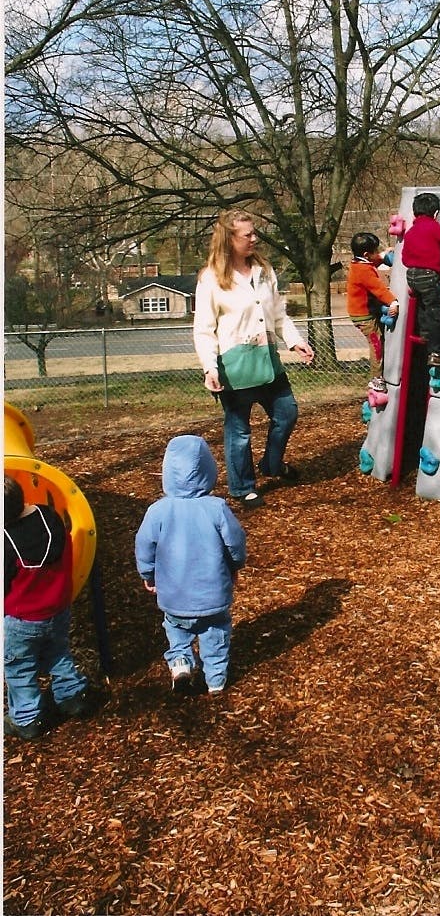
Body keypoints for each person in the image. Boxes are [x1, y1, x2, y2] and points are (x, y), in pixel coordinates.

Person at [193, 209, 315, 507]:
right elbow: (204, 330)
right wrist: (210, 368)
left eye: (254, 232)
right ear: (228, 239)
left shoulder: (264, 271)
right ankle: (242, 487)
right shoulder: (211, 279)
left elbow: (277, 314)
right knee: (239, 431)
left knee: (286, 413)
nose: (254, 238)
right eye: (247, 234)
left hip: (268, 361)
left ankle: (272, 465)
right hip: (234, 369)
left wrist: (295, 341)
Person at [135, 434, 247, 694]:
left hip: (174, 595)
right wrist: (236, 565)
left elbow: (145, 546)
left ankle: (181, 664)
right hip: (213, 595)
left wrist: (148, 574)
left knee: (175, 628)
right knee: (215, 634)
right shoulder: (217, 508)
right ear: (209, 469)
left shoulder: (158, 511)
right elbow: (235, 543)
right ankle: (216, 679)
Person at [4, 475, 92, 740]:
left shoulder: (7, 543)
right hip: (58, 609)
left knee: (19, 667)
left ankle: (28, 718)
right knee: (58, 652)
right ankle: (72, 696)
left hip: (21, 620)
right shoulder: (50, 517)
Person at [400, 192, 440, 370]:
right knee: (438, 315)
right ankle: (436, 354)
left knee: (424, 308)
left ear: (415, 213)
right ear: (436, 213)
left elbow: (404, 259)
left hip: (412, 275)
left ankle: (424, 336)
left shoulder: (411, 232)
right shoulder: (432, 227)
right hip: (428, 276)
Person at [346, 231, 399, 393]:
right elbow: (378, 288)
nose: (377, 253)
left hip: (365, 311)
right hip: (364, 316)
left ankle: (378, 375)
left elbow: (371, 262)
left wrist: (383, 255)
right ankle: (376, 378)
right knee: (376, 343)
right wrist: (393, 301)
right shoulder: (363, 271)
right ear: (366, 254)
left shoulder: (359, 263)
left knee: (380, 339)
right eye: (375, 251)